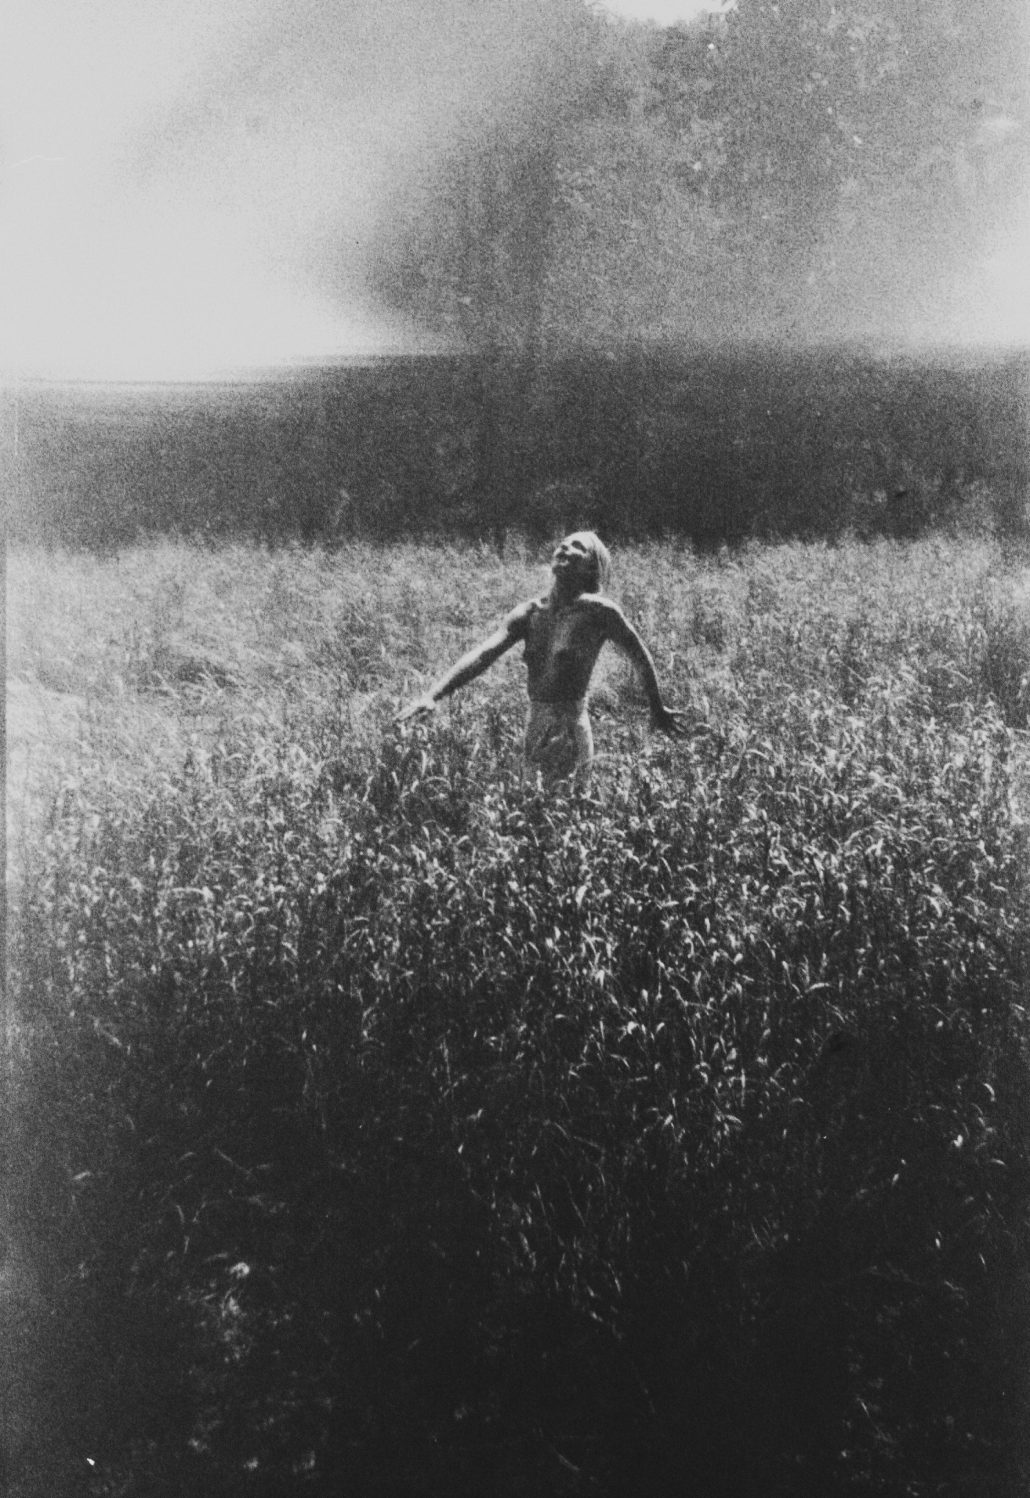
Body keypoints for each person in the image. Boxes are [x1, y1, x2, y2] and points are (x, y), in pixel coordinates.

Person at [397, 531, 689, 787]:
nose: (565, 548)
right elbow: (483, 654)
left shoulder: (600, 613)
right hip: (535, 723)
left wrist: (656, 707)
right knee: (533, 809)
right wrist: (433, 695)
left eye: (577, 546)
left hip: (571, 725)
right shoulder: (529, 613)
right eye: (563, 544)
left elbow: (639, 656)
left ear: (591, 567)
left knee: (569, 812)